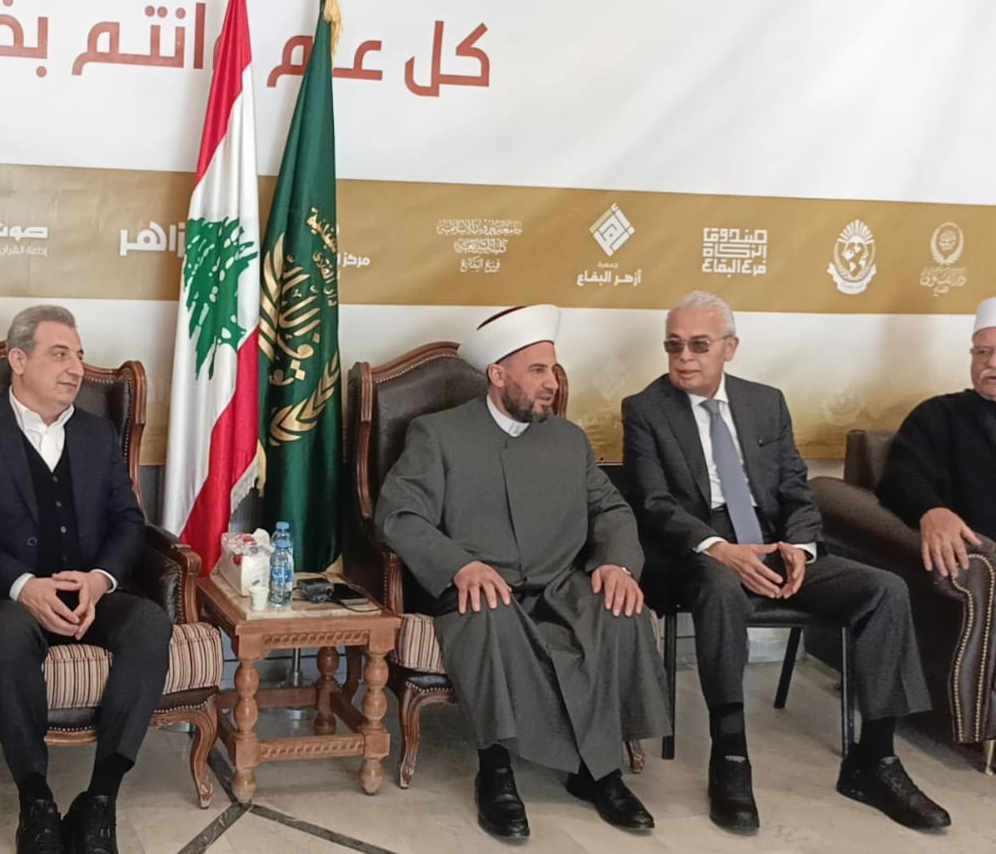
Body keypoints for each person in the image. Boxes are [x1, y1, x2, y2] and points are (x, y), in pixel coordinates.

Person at [622, 291, 948, 833]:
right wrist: (720, 548)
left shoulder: (765, 402)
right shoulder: (646, 409)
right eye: (674, 346)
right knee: (720, 587)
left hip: (775, 544)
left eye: (699, 346)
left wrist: (800, 548)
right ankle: (730, 755)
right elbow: (654, 504)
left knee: (885, 589)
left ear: (730, 348)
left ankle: (874, 760)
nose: (684, 358)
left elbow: (797, 490)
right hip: (699, 549)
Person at [375, 304, 668, 840]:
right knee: (488, 611)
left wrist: (617, 564)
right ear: (498, 374)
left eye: (553, 370)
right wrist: (460, 565)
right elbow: (399, 515)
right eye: (537, 371)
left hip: (560, 584)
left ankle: (599, 771)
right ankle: (496, 772)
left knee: (619, 607)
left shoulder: (570, 440)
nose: (552, 383)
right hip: (478, 587)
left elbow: (610, 510)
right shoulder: (437, 434)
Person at [0, 305, 171, 854]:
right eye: (59, 354)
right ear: (18, 360)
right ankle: (35, 802)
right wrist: (22, 585)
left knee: (149, 624)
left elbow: (128, 521)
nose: (76, 368)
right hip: (2, 596)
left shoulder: (97, 433)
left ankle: (100, 799)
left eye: (79, 356)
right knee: (11, 632)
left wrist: (99, 581)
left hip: (86, 591)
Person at [878, 295, 996, 578]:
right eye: (982, 352)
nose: (991, 362)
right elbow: (902, 477)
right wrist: (931, 510)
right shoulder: (939, 415)